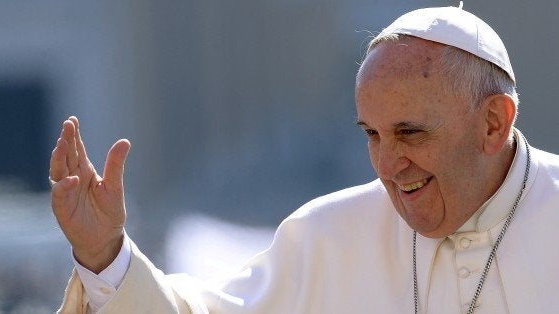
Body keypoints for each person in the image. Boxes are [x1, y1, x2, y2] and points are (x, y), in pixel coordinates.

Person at [50, 6, 559, 314]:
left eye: (410, 133)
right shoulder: (326, 236)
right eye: (373, 135)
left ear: (493, 123)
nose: (389, 163)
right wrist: (105, 254)